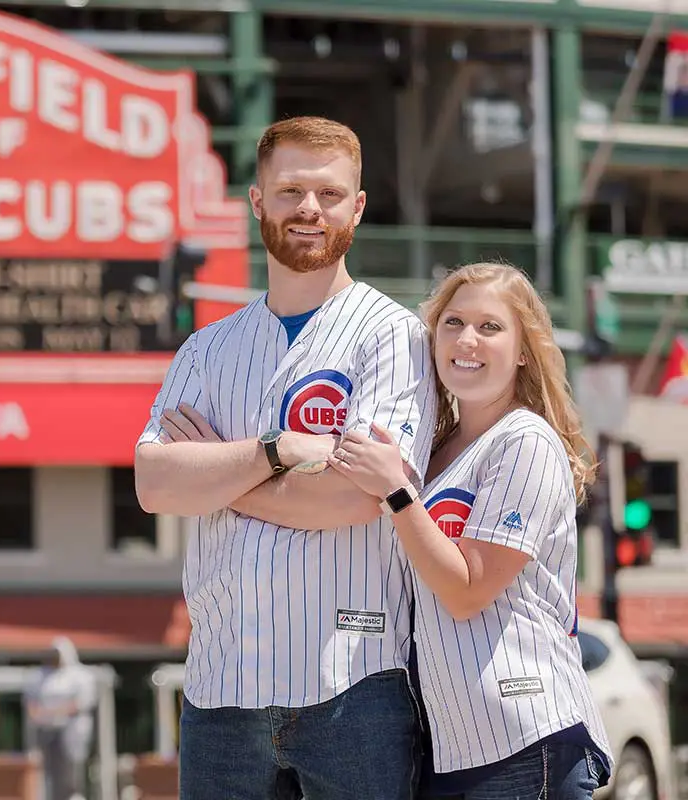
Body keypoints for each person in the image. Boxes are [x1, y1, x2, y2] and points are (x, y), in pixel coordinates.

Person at [136, 115, 437, 800]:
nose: (309, 209)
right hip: (220, 692)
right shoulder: (206, 350)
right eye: (291, 190)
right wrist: (277, 451)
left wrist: (215, 475)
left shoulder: (393, 338)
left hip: (355, 688)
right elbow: (154, 483)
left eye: (330, 195)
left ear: (357, 207)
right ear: (257, 200)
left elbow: (356, 498)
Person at [326, 262, 613, 799]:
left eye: (490, 327)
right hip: (449, 749)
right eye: (453, 323)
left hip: (525, 738)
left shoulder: (525, 440)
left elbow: (467, 590)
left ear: (525, 350)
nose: (467, 339)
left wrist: (396, 492)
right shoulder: (436, 452)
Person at [25, 637, 98, 800]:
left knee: (72, 769)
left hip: (73, 731)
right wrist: (43, 714)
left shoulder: (80, 676)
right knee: (46, 770)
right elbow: (31, 704)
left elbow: (82, 702)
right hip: (46, 731)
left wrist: (55, 712)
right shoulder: (39, 676)